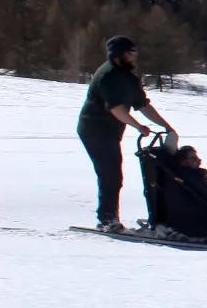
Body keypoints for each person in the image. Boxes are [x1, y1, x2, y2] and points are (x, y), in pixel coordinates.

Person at [75, 36, 176, 231]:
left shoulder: (129, 78)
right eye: (131, 53)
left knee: (113, 172)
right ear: (118, 55)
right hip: (94, 129)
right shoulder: (107, 75)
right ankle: (107, 219)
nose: (134, 57)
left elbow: (143, 105)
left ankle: (110, 215)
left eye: (135, 53)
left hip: (112, 131)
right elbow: (116, 109)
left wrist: (167, 127)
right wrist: (138, 126)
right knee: (110, 173)